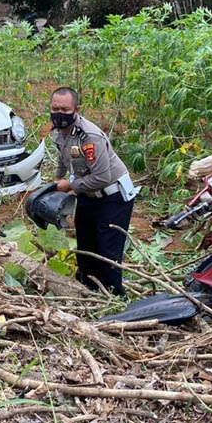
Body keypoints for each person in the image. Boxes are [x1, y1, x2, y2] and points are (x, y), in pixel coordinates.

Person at [49, 86, 137, 296]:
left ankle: (115, 298)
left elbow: (101, 178)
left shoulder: (89, 137)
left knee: (107, 253)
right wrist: (58, 179)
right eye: (55, 108)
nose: (59, 114)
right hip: (87, 195)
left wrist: (69, 186)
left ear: (76, 110)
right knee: (85, 249)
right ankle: (87, 295)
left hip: (113, 196)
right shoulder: (59, 132)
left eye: (65, 109)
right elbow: (63, 157)